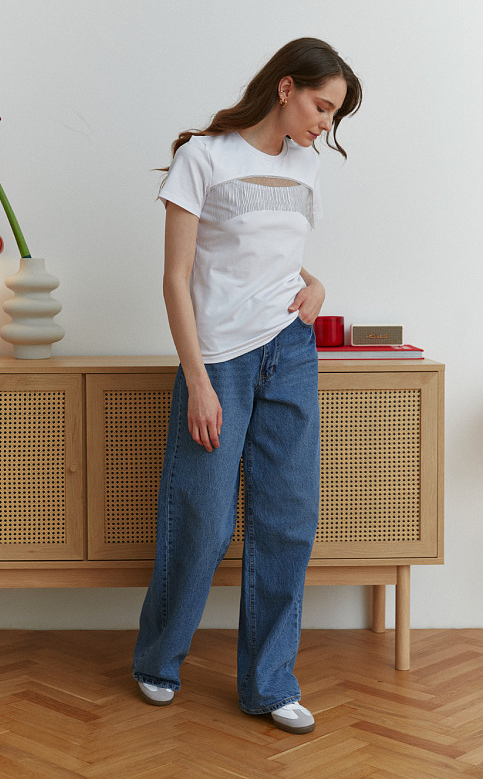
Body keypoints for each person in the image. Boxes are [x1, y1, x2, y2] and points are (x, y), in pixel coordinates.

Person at [133, 37, 362, 733]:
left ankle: (270, 684)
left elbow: (274, 256)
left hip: (290, 350)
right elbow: (176, 277)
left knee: (288, 520)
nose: (324, 123)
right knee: (202, 519)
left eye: (334, 114)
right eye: (321, 106)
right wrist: (197, 380)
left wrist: (316, 284)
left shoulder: (306, 166)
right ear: (286, 87)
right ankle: (157, 660)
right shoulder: (203, 157)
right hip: (220, 361)